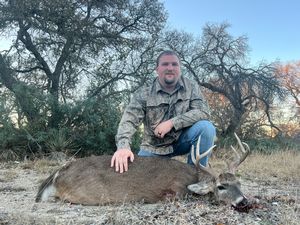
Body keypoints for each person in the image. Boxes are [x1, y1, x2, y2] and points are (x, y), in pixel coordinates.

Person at [111, 50, 216, 173]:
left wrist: (172, 123)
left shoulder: (191, 86)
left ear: (180, 68)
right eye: (165, 64)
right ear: (157, 69)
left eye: (174, 64)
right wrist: (123, 147)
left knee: (206, 128)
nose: (170, 68)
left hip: (182, 142)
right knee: (137, 176)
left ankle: (197, 175)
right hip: (153, 148)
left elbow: (203, 112)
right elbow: (129, 120)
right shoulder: (144, 92)